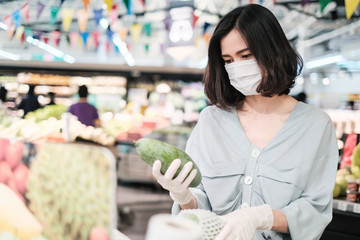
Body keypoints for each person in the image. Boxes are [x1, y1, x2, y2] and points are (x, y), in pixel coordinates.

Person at [151, 4, 338, 240]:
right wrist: (183, 194)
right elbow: (200, 211)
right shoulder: (211, 121)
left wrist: (260, 217)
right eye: (228, 60)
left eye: (246, 56)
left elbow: (315, 210)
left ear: (273, 51)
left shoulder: (316, 126)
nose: (236, 67)